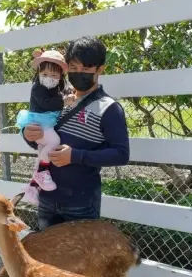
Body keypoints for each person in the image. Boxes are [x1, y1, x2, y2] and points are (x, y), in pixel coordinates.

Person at [21, 36, 130, 231]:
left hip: (81, 203)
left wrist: (75, 156)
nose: (79, 73)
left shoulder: (109, 108)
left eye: (86, 69)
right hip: (47, 199)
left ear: (100, 69)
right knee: (47, 258)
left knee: (81, 261)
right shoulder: (56, 99)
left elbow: (121, 154)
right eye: (73, 67)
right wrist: (28, 135)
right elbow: (41, 141)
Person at [14, 49, 75, 205]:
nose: (50, 79)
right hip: (41, 122)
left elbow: (62, 92)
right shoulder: (37, 88)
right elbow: (47, 103)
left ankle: (32, 187)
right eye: (46, 75)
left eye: (54, 76)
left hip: (45, 122)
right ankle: (41, 173)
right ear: (39, 73)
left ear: (60, 76)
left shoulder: (57, 87)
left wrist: (67, 94)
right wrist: (64, 102)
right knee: (54, 141)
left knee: (43, 153)